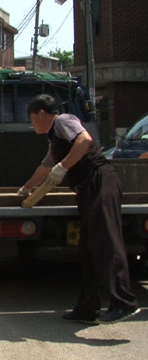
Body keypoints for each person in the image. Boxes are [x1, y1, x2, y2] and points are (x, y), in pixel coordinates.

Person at [18, 94, 140, 325]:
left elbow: (84, 139)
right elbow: (45, 168)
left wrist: (63, 167)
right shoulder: (55, 139)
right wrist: (26, 188)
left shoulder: (63, 121)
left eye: (33, 118)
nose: (33, 123)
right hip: (86, 190)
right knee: (88, 249)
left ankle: (123, 303)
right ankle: (87, 308)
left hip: (100, 181)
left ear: (42, 114)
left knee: (106, 240)